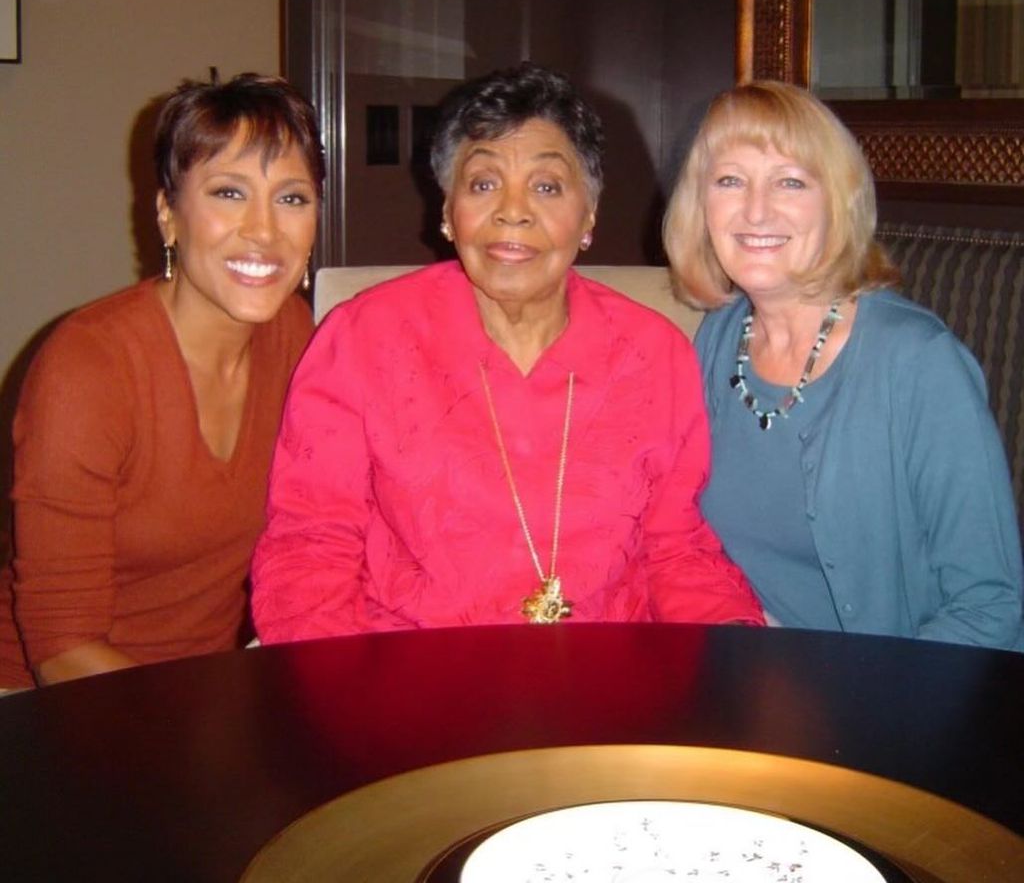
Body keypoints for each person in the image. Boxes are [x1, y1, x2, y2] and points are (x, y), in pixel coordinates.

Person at [252, 62, 762, 639]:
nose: (513, 211)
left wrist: (737, 651)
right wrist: (340, 698)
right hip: (413, 680)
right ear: (447, 212)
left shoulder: (654, 353)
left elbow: (676, 546)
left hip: (608, 676)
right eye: (484, 183)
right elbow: (310, 546)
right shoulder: (361, 338)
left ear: (588, 214)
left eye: (547, 186)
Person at [663, 80, 1022, 650]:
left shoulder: (919, 365)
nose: (756, 210)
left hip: (892, 699)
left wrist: (860, 707)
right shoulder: (719, 338)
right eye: (730, 180)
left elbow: (992, 607)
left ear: (837, 203)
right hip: (743, 677)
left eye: (790, 181)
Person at [0, 73, 322, 687]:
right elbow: (61, 645)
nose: (264, 230)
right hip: (48, 702)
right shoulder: (89, 368)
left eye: (291, 198)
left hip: (195, 692)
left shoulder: (293, 336)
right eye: (229, 193)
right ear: (168, 215)